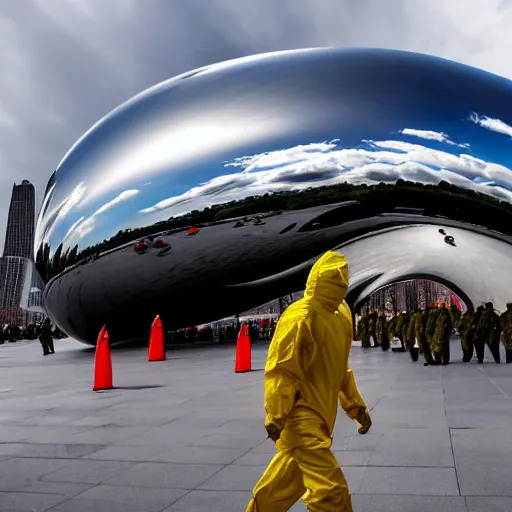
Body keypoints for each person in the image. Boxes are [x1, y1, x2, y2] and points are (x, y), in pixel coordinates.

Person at [246, 251, 371, 512]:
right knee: (331, 492)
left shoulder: (340, 315)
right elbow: (282, 369)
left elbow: (338, 370)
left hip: (319, 420)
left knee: (278, 489)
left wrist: (356, 408)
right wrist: (276, 414)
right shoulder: (301, 317)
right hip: (300, 420)